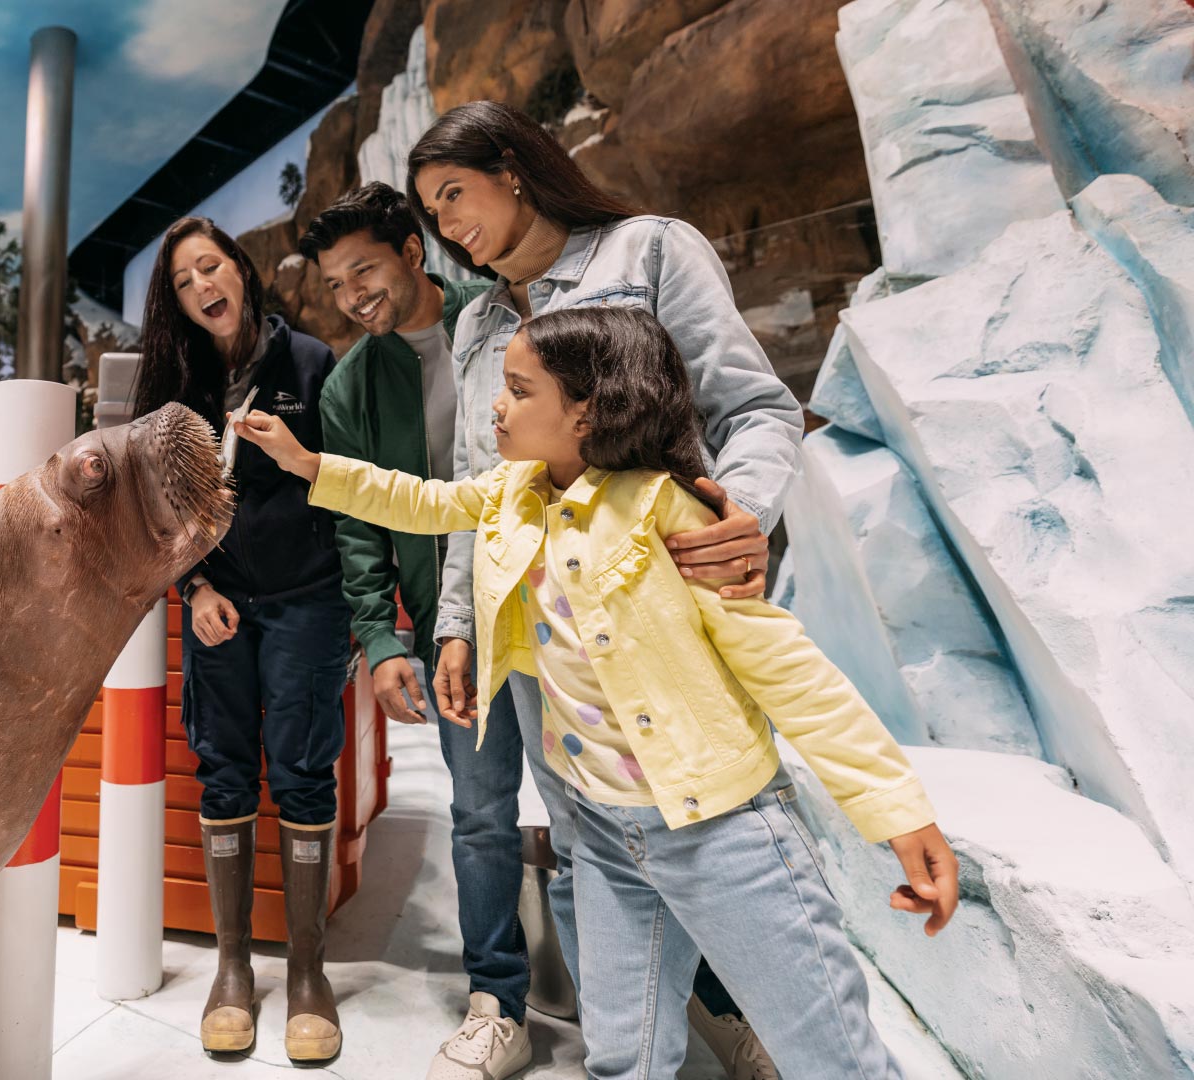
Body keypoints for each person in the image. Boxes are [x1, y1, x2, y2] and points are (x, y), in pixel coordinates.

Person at [231, 305, 961, 1079]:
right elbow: (420, 501)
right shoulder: (512, 494)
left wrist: (898, 811)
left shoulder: (669, 513)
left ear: (587, 410)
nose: (496, 406)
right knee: (620, 1055)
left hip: (723, 832)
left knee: (831, 1057)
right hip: (603, 833)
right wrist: (308, 463)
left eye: (518, 389)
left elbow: (789, 668)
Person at [408, 99, 805, 1079]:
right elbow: (483, 496)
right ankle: (628, 1062)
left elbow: (756, 409)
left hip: (665, 614)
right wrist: (458, 625)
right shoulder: (480, 324)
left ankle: (771, 1029)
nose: (449, 225)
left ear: (512, 167)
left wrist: (736, 513)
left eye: (454, 194)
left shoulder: (650, 250)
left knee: (723, 839)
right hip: (547, 640)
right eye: (432, 213)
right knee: (586, 858)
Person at [300, 182, 540, 1079]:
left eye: (363, 267)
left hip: (554, 605)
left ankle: (704, 996)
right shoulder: (352, 383)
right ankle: (497, 1000)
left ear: (412, 250)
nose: (351, 293)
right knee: (479, 813)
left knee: (623, 802)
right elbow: (358, 528)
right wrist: (384, 638)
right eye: (334, 282)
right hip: (453, 631)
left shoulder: (506, 318)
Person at [129, 216, 349, 1063]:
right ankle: (230, 969)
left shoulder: (311, 365)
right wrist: (194, 586)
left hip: (306, 599)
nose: (201, 289)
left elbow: (347, 488)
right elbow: (158, 508)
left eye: (210, 268)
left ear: (241, 271)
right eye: (182, 284)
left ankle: (305, 974)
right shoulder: (173, 385)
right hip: (219, 604)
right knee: (222, 767)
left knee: (300, 769)